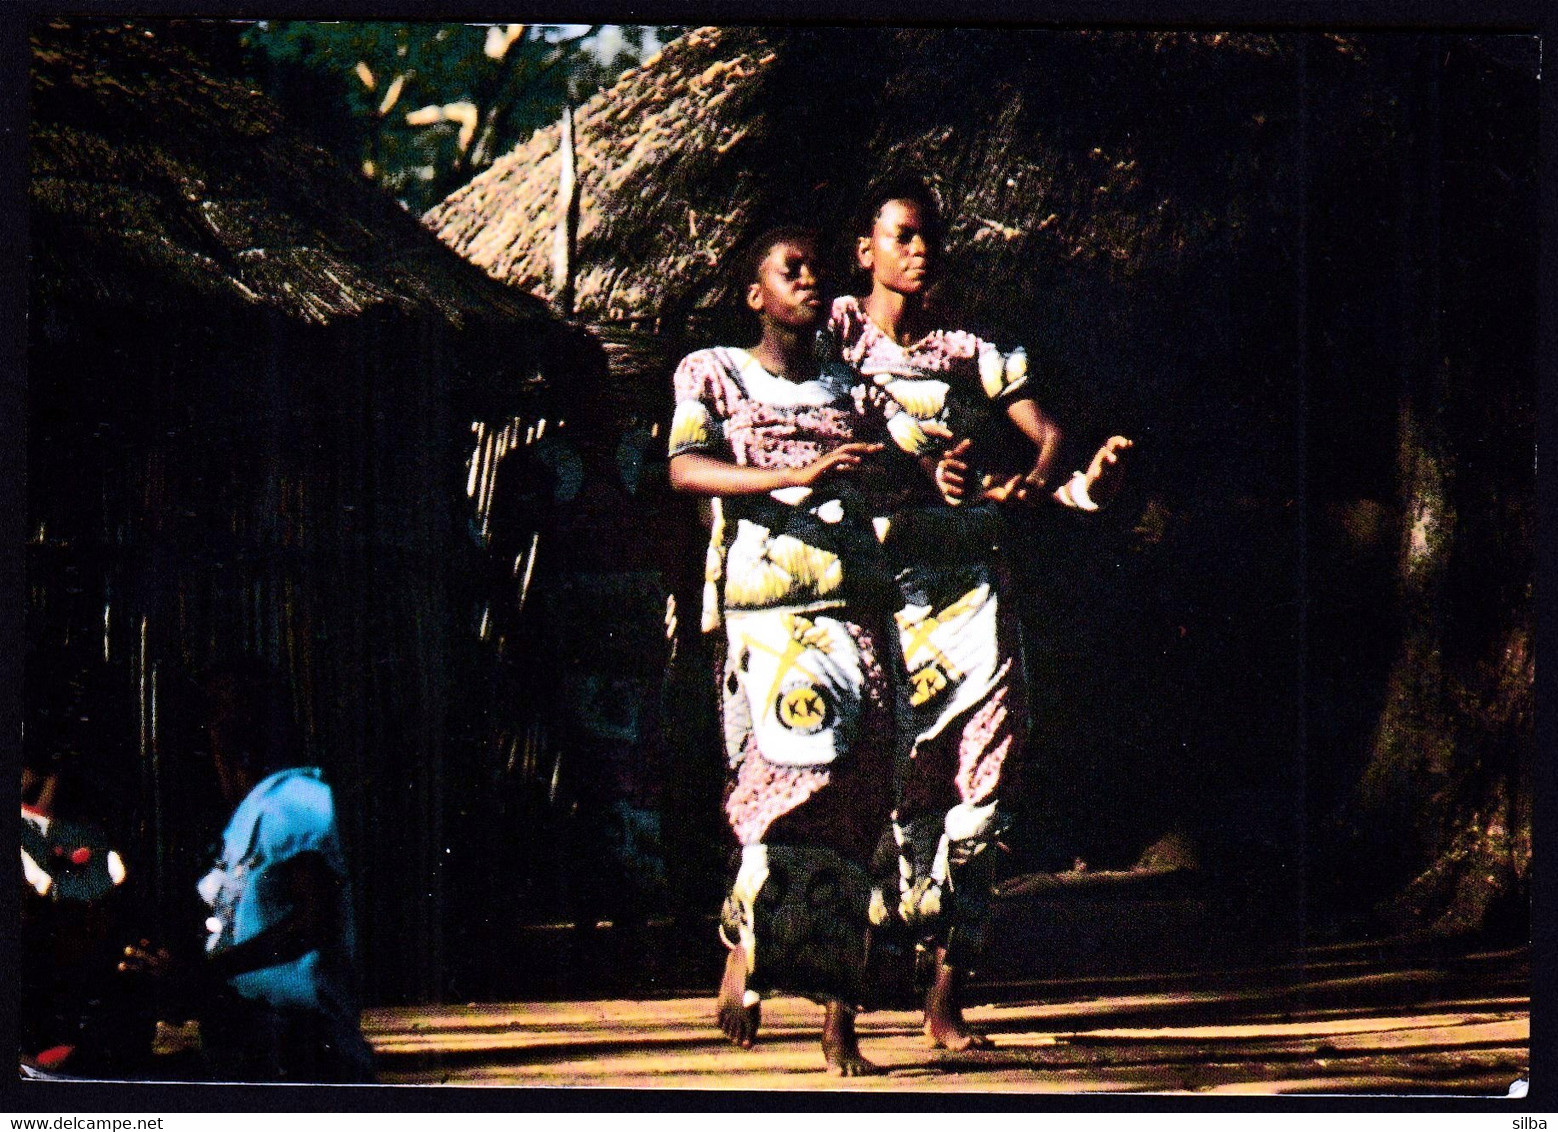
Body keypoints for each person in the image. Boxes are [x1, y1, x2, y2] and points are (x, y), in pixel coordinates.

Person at [827, 178, 1133, 1051]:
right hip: (881, 602)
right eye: (902, 237)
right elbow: (814, 437)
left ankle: (943, 1002)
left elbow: (1041, 431)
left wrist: (1051, 469)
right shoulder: (837, 339)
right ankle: (841, 1007)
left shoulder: (968, 351)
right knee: (879, 805)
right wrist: (907, 472)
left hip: (976, 601)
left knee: (980, 807)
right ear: (867, 249)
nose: (919, 252)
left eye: (930, 238)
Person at [667, 226, 901, 1075]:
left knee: (862, 803)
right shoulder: (713, 373)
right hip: (771, 620)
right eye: (787, 270)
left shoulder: (853, 385)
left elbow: (896, 472)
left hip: (858, 612)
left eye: (814, 268)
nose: (808, 281)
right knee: (788, 789)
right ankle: (746, 948)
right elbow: (687, 468)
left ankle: (842, 1024)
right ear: (754, 295)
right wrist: (791, 477)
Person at [121, 658, 375, 1083]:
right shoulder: (247, 814)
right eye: (214, 705)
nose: (221, 716)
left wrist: (203, 974)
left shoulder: (295, 798)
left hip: (299, 1046)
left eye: (233, 702)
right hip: (251, 1037)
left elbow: (315, 920)